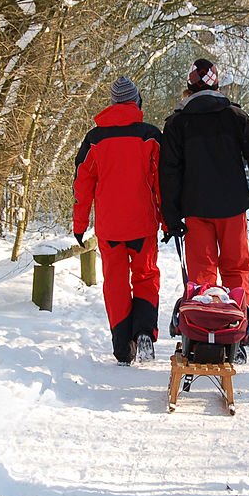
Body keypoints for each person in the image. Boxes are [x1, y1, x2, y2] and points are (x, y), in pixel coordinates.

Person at [159, 58, 249, 364]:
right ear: (218, 85)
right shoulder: (237, 117)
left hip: (195, 211)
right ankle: (238, 333)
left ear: (189, 86)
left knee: (202, 276)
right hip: (233, 208)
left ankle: (202, 335)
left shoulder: (177, 123)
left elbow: (167, 173)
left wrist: (170, 218)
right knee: (236, 270)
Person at [73, 76, 162, 366]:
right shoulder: (149, 135)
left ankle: (122, 346)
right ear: (136, 101)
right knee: (146, 277)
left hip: (110, 228)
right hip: (142, 224)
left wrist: (79, 224)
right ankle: (145, 331)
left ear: (112, 104)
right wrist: (167, 218)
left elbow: (82, 186)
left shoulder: (94, 139)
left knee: (115, 283)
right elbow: (163, 181)